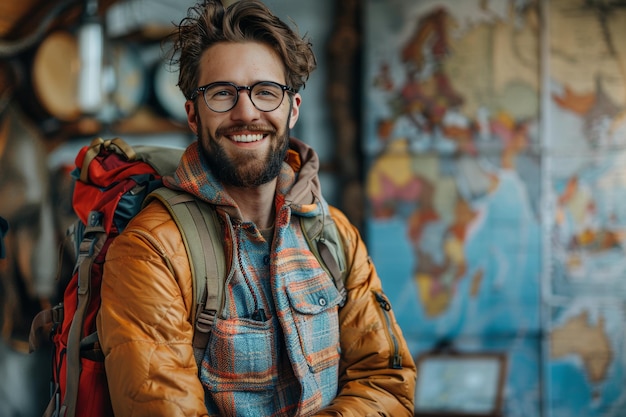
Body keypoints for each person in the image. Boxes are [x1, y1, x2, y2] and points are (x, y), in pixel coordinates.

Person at [96, 1, 416, 416]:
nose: (246, 113)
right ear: (193, 114)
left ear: (292, 109)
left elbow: (386, 382)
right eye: (222, 93)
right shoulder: (151, 250)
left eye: (266, 92)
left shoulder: (332, 234)